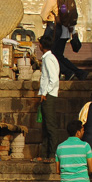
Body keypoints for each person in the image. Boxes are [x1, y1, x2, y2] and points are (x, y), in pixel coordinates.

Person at [50, 0, 87, 80]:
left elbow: (64, 13)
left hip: (61, 32)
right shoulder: (68, 0)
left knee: (55, 55)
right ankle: (76, 72)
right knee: (58, 55)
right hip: (66, 32)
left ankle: (73, 72)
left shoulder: (61, 1)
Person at [35, 33, 61, 161]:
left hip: (49, 95)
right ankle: (44, 154)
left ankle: (52, 154)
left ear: (41, 45)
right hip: (46, 95)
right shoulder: (48, 58)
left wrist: (46, 93)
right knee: (45, 126)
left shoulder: (48, 58)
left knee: (50, 126)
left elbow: (54, 79)